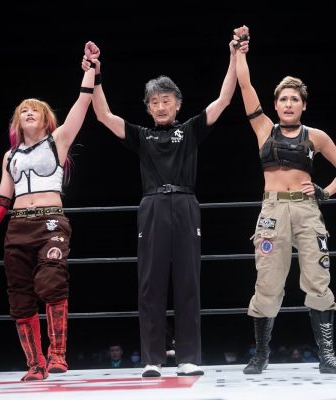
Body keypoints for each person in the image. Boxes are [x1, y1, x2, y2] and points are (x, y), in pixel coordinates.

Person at [81, 37, 238, 377]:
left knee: (188, 281)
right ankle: (152, 358)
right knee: (150, 283)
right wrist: (95, 74)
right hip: (152, 205)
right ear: (148, 108)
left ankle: (188, 357)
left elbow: (224, 99)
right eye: (155, 102)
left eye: (166, 100)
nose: (161, 106)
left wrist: (234, 55)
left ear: (177, 104)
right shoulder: (142, 136)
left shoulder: (190, 131)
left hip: (185, 203)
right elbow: (103, 115)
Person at [233, 25, 336, 375]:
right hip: (272, 210)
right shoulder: (263, 129)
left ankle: (327, 357)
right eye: (283, 99)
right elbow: (245, 86)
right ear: (275, 105)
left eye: (294, 99)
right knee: (268, 281)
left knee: (318, 279)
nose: (288, 104)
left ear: (303, 105)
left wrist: (325, 191)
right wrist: (240, 50)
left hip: (306, 210)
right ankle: (261, 355)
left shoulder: (316, 136)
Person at [0, 50, 96, 381]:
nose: (28, 112)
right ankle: (35, 364)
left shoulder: (59, 141)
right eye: (23, 110)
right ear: (17, 120)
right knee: (19, 295)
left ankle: (57, 354)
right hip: (17, 226)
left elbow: (82, 103)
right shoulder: (9, 156)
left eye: (34, 110)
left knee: (51, 280)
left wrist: (91, 69)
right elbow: (2, 198)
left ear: (45, 119)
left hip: (50, 221)